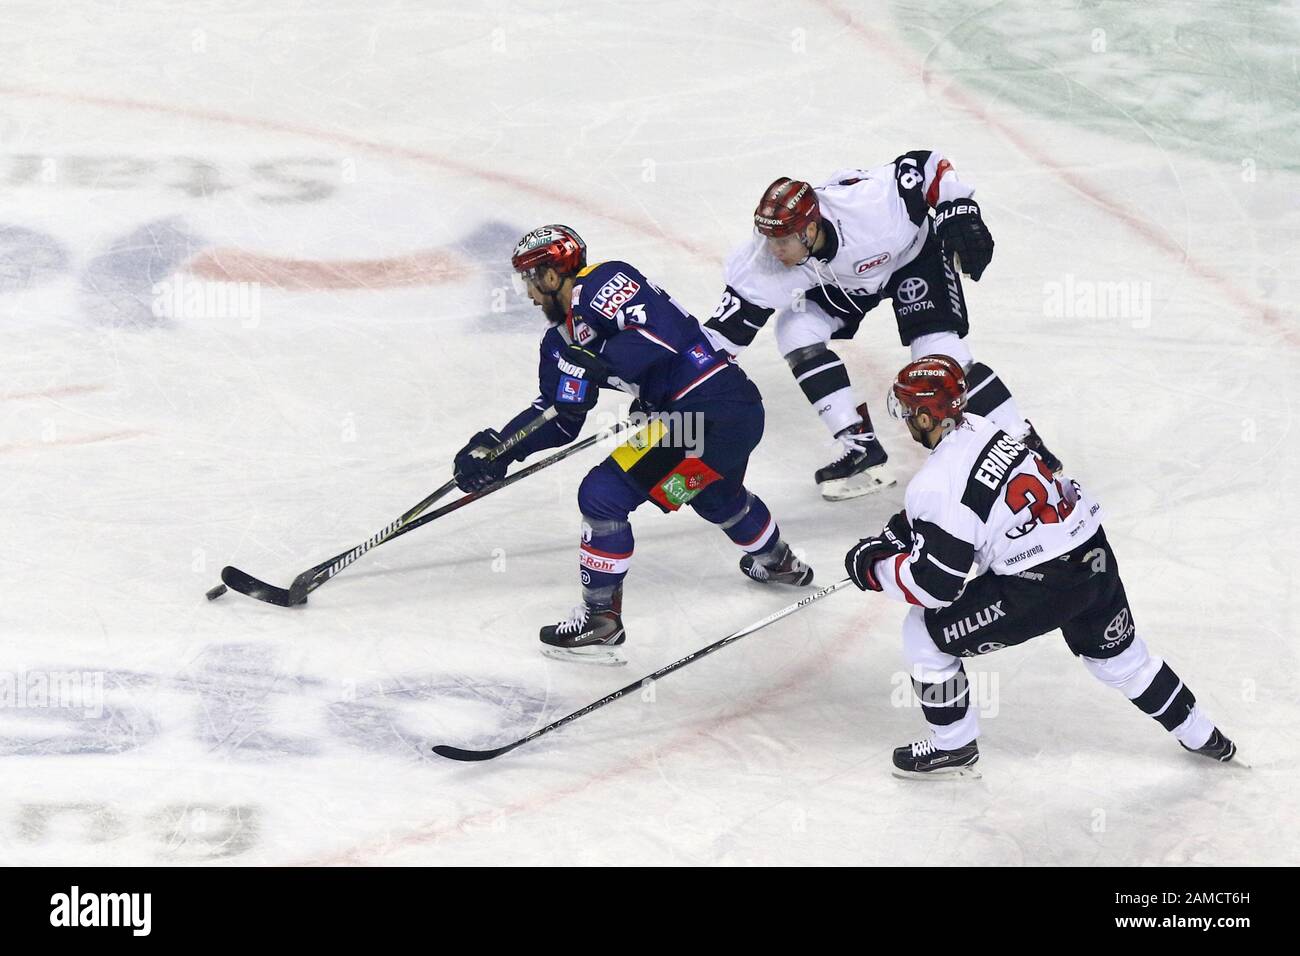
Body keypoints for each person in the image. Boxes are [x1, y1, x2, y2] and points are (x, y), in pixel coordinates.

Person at [843, 355, 1236, 777]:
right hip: (1092, 554)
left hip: (1040, 585)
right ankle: (1207, 738)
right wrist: (903, 532)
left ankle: (953, 746)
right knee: (1123, 661)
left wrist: (875, 570)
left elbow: (937, 586)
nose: (904, 419)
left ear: (925, 416)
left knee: (923, 633)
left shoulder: (935, 483)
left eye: (907, 410)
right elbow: (972, 507)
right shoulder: (983, 426)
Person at [454, 225, 813, 665]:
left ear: (551, 276)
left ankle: (600, 620)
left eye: (529, 280)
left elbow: (661, 337)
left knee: (602, 496)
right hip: (718, 423)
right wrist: (501, 449)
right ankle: (779, 561)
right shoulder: (559, 342)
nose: (527, 295)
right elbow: (561, 417)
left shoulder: (601, 283)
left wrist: (599, 366)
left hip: (707, 409)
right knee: (712, 494)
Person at [703, 151, 1061, 500]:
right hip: (842, 282)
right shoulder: (763, 261)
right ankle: (859, 445)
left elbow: (926, 165)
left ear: (810, 229)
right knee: (795, 329)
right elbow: (721, 337)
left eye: (782, 241)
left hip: (911, 259)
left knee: (938, 354)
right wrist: (681, 372)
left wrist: (958, 209)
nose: (774, 250)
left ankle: (1025, 443)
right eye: (769, 239)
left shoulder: (871, 210)